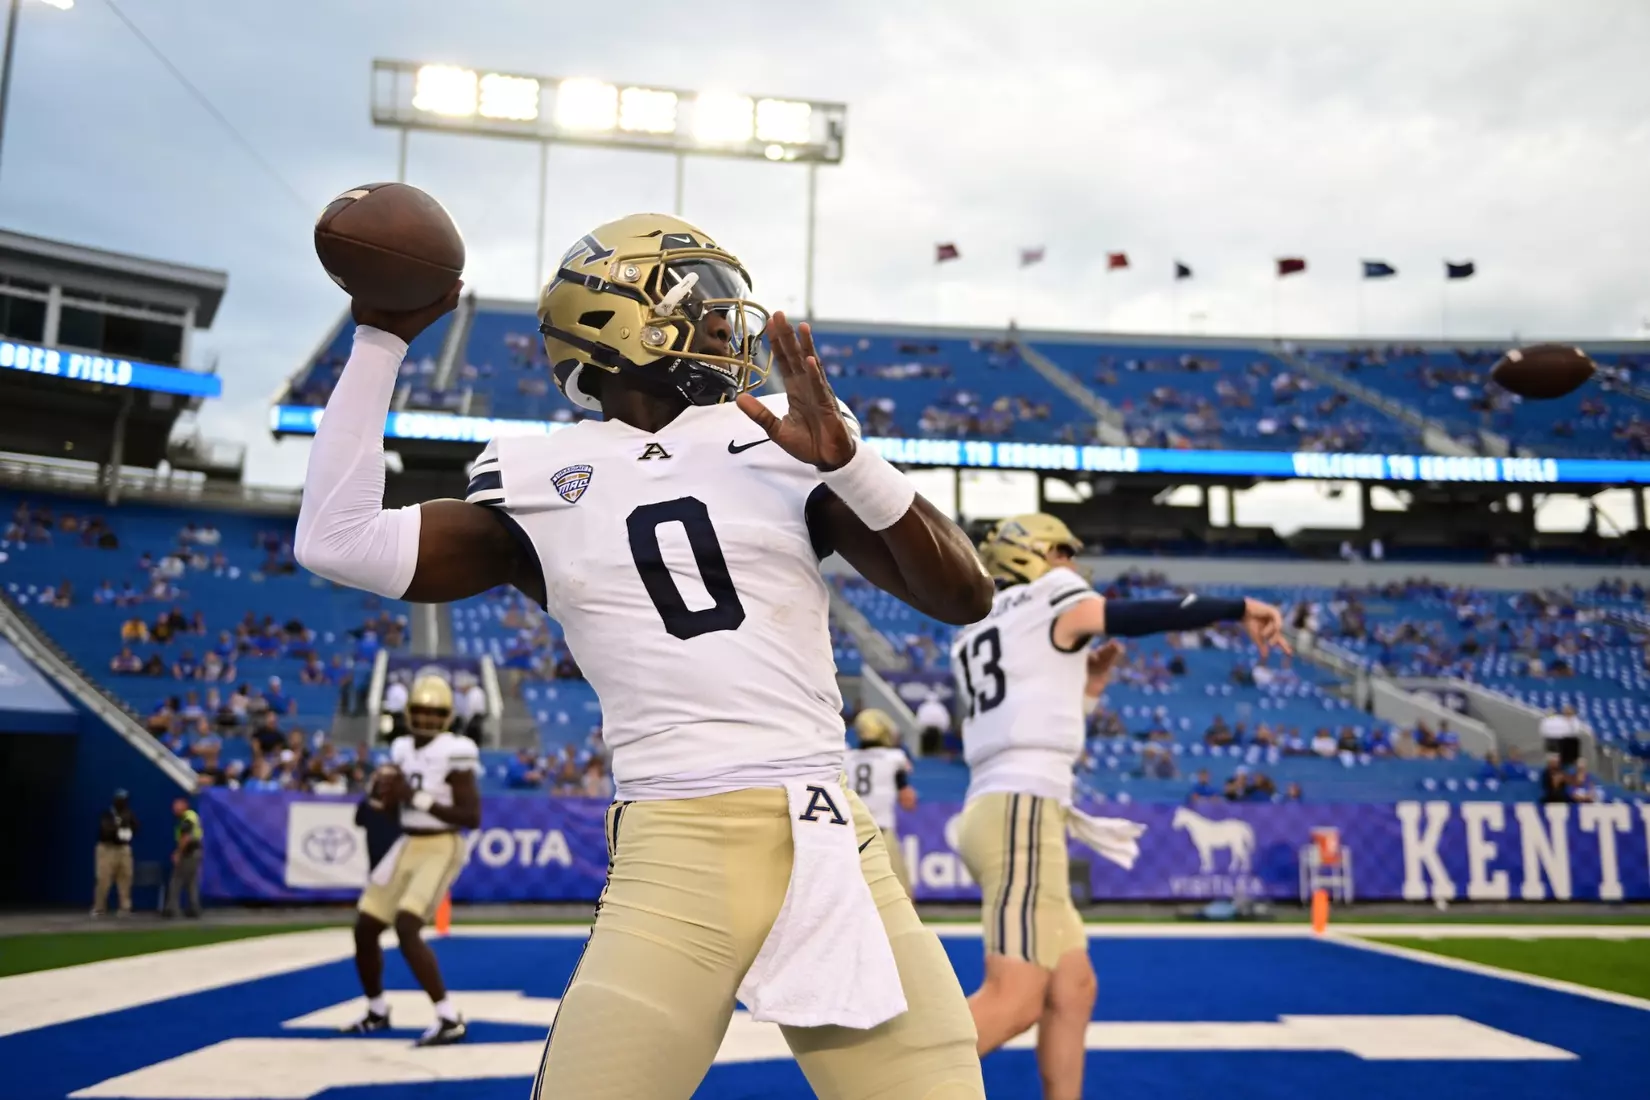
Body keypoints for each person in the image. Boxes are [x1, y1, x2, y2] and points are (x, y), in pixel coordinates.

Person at [293, 212, 994, 1099]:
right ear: (618, 323)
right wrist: (379, 341)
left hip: (827, 833)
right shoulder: (535, 475)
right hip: (674, 848)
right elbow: (337, 539)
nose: (726, 323)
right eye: (699, 304)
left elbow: (964, 595)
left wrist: (851, 466)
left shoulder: (779, 432)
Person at [950, 514, 1288, 1100]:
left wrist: (1086, 692)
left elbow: (1023, 722)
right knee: (1015, 999)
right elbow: (1131, 616)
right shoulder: (1051, 597)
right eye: (1063, 553)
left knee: (1072, 986)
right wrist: (1237, 607)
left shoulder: (977, 628)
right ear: (1034, 556)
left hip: (1007, 804)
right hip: (1021, 812)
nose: (1073, 566)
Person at [339, 675, 481, 1047]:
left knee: (406, 926)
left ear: (447, 716)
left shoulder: (457, 750)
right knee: (365, 928)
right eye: (420, 711)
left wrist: (412, 796)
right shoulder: (401, 749)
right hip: (408, 842)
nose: (427, 718)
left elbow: (471, 816)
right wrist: (379, 797)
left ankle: (448, 1017)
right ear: (408, 713)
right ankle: (376, 1010)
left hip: (441, 844)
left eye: (435, 712)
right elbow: (392, 808)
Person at [844, 709, 918, 895]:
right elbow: (907, 800)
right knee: (900, 894)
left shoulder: (846, 758)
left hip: (849, 833)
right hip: (880, 831)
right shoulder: (895, 757)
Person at [92, 790, 139, 917]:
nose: (122, 802)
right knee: (104, 878)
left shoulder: (129, 814)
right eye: (120, 800)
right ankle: (99, 907)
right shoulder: (108, 814)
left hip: (123, 849)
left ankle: (125, 907)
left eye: (124, 800)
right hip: (107, 848)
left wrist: (129, 829)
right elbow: (105, 830)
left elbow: (136, 827)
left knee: (126, 877)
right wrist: (118, 829)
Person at [165, 797, 204, 918]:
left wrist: (178, 853)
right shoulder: (193, 816)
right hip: (196, 852)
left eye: (177, 806)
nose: (174, 809)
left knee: (177, 880)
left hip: (188, 853)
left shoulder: (187, 818)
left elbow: (185, 838)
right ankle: (194, 909)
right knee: (192, 882)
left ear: (184, 806)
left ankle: (172, 909)